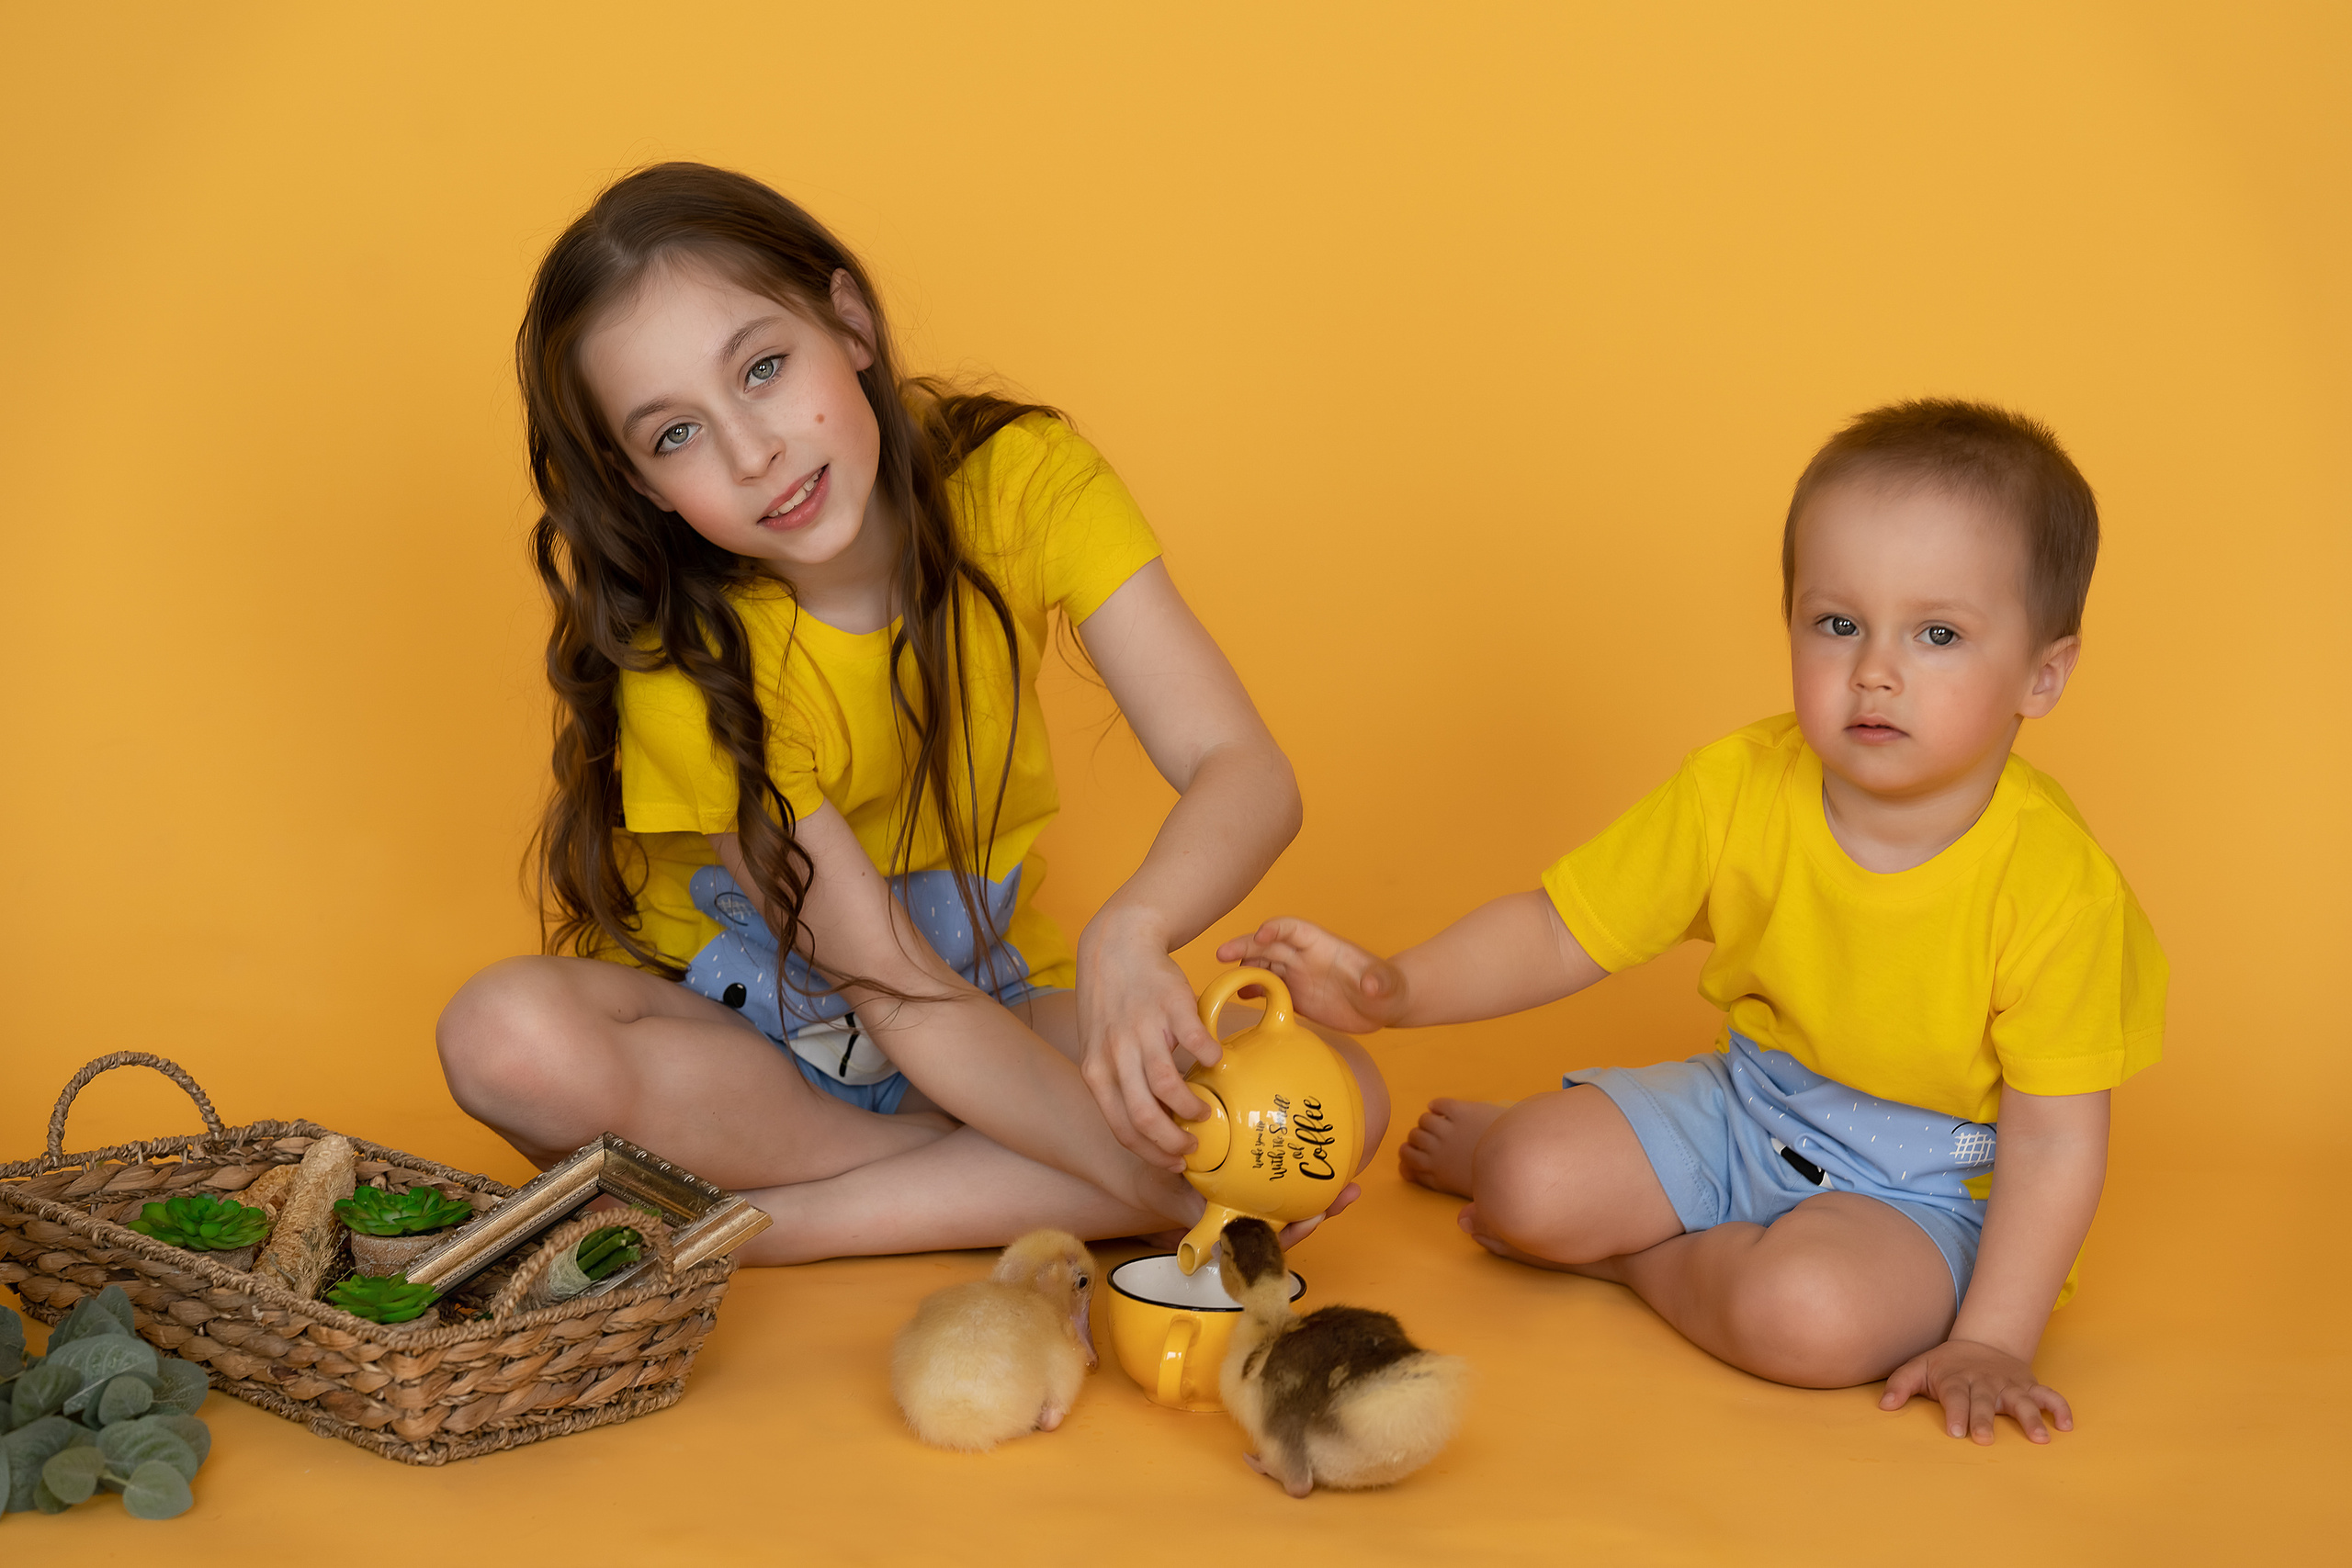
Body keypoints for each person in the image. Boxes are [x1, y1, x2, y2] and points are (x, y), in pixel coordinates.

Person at [437, 163, 1386, 1264]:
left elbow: (1244, 768)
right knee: (503, 1040)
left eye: (762, 368)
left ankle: (773, 1225)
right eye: (676, 436)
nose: (754, 453)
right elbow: (890, 992)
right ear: (640, 483)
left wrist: (1133, 930)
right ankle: (956, 1172)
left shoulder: (1023, 484)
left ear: (849, 323)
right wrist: (1182, 1195)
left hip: (987, 1003)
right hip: (756, 1047)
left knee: (1335, 1097)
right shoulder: (685, 664)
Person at [1219, 400, 2162, 1445]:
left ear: (2044, 672)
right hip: (1747, 1108)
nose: (1875, 670)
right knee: (1527, 1182)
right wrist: (1391, 990)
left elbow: (2054, 1148)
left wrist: (1994, 1337)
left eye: (1937, 634)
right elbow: (1555, 928)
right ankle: (1600, 1211)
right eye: (1836, 623)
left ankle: (1633, 1256)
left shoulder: (2059, 889)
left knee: (1804, 1319)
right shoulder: (1740, 788)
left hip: (1928, 1186)